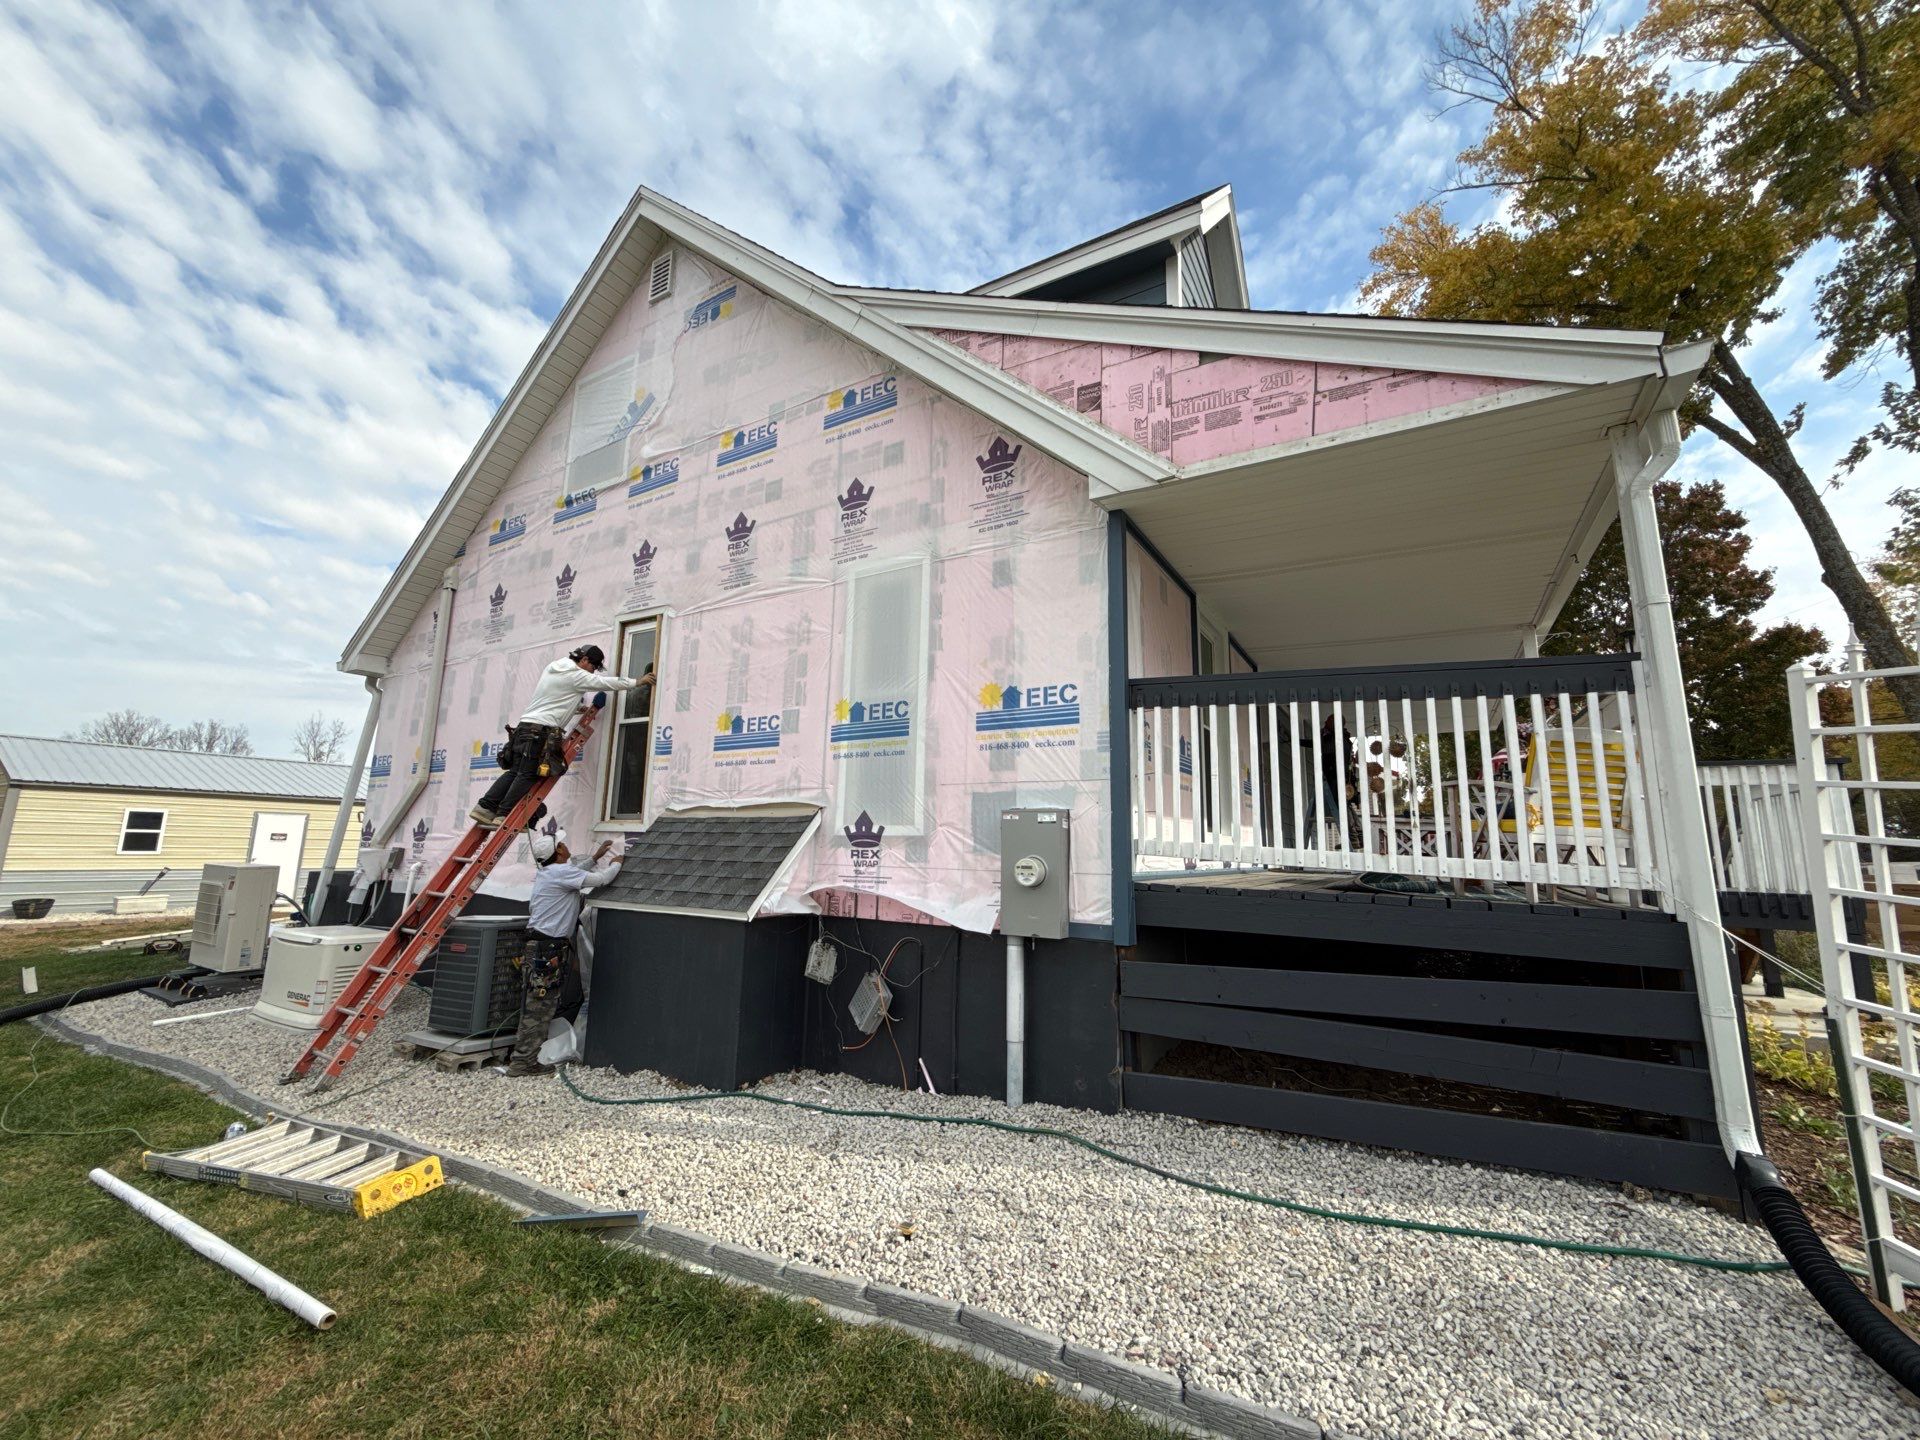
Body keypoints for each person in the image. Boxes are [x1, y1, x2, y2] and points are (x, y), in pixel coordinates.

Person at [470, 644, 652, 829]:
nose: (593, 672)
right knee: (527, 775)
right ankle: (504, 814)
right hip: (540, 732)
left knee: (515, 772)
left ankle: (485, 807)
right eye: (593, 667)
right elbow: (605, 683)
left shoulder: (553, 668)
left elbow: (554, 697)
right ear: (584, 660)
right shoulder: (576, 675)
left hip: (524, 728)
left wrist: (574, 707)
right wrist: (637, 682)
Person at [505, 829, 623, 1077]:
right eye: (563, 843)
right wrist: (616, 863)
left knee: (537, 1003)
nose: (567, 845)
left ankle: (523, 1058)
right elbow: (601, 880)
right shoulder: (560, 873)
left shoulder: (551, 872)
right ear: (558, 851)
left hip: (541, 947)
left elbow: (575, 871)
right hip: (547, 950)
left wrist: (595, 857)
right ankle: (523, 1063)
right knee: (540, 1006)